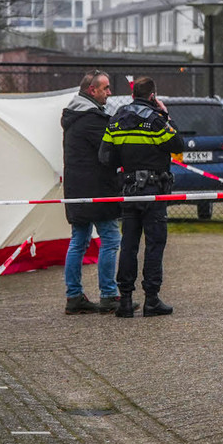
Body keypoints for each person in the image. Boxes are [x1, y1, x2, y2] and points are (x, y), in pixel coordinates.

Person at [99, 76, 184, 318]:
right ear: (152, 96)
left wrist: (126, 166)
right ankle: (151, 300)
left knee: (129, 244)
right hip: (154, 192)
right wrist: (167, 116)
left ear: (133, 94)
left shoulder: (117, 120)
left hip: (129, 192)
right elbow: (178, 144)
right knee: (155, 244)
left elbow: (105, 157)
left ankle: (125, 300)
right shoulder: (156, 121)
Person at [61, 70, 125, 315]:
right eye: (106, 88)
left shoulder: (74, 116)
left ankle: (74, 295)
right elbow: (110, 150)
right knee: (110, 238)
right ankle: (109, 294)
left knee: (78, 241)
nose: (109, 92)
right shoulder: (92, 119)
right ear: (92, 90)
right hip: (97, 189)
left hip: (76, 189)